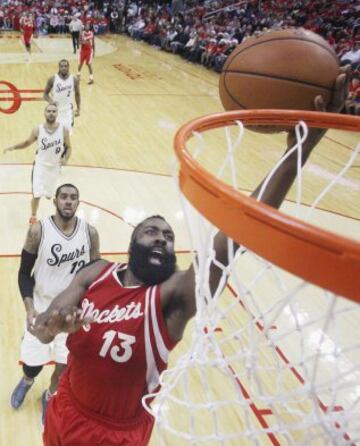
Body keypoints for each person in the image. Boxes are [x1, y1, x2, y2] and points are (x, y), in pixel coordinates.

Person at [32, 70, 353, 446]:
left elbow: (240, 228)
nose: (162, 240)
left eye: (169, 237)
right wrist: (56, 324)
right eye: (152, 231)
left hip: (115, 434)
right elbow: (40, 328)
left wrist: (299, 150)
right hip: (66, 408)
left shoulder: (174, 297)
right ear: (133, 242)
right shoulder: (96, 273)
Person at [10, 183, 100, 424]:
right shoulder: (38, 231)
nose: (68, 201)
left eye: (73, 198)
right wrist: (29, 308)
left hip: (71, 316)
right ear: (56, 201)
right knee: (32, 364)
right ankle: (27, 381)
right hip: (41, 310)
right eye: (64, 197)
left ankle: (49, 396)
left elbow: (95, 274)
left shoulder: (90, 233)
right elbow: (23, 273)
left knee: (63, 366)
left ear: (78, 203)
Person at [3, 104, 71, 224]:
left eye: (54, 111)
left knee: (51, 196)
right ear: (44, 113)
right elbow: (27, 142)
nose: (51, 113)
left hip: (54, 167)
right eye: (49, 111)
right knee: (37, 194)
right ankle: (33, 217)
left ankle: (59, 215)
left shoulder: (63, 130)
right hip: (40, 166)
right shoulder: (38, 129)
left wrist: (65, 159)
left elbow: (69, 147)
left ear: (57, 113)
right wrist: (13, 147)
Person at [43, 59, 81, 132]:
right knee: (55, 135)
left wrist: (78, 108)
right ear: (59, 67)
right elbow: (45, 94)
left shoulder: (74, 79)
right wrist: (50, 101)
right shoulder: (52, 79)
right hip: (56, 111)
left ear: (68, 67)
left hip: (68, 111)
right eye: (62, 66)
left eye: (66, 66)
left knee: (66, 135)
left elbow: (77, 94)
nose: (64, 68)